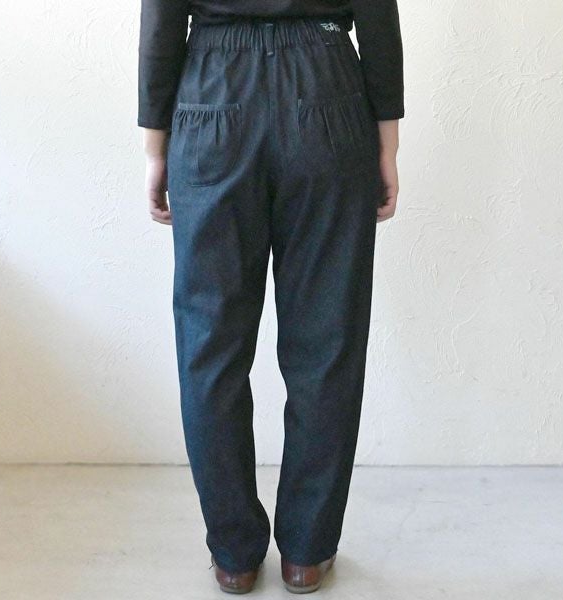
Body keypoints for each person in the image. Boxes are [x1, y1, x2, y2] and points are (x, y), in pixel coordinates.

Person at [138, 0, 404, 594]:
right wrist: (387, 140)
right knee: (328, 340)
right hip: (327, 84)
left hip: (213, 91)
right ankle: (306, 552)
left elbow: (161, 18)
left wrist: (155, 147)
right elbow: (377, 11)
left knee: (210, 345)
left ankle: (234, 556)